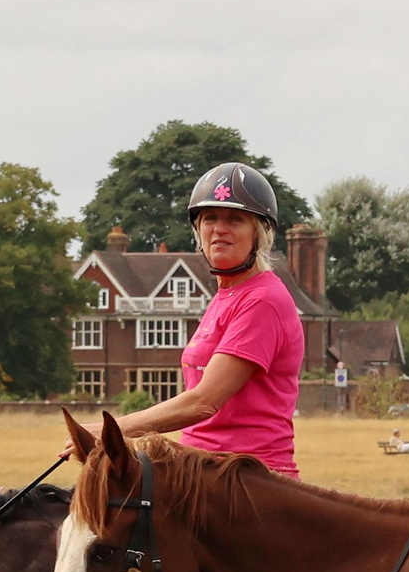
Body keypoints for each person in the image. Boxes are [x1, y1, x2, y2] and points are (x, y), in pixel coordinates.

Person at [104, 161, 305, 476]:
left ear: (260, 233)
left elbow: (203, 402)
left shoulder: (262, 301)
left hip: (247, 477)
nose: (219, 228)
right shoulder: (227, 296)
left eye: (235, 219)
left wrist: (109, 431)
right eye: (210, 218)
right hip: (201, 471)